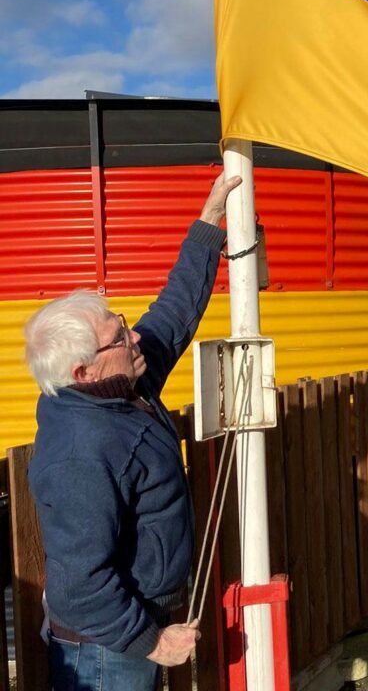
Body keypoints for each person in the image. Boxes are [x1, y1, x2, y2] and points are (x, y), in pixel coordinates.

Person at [25, 171, 242, 690]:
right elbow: (80, 586)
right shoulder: (80, 452)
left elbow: (172, 313)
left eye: (120, 319)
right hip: (105, 653)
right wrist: (151, 641)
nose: (134, 332)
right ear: (83, 371)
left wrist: (209, 221)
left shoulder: (123, 383)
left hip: (127, 632)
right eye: (118, 334)